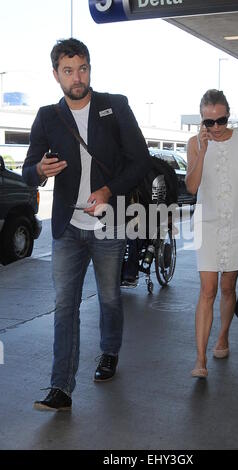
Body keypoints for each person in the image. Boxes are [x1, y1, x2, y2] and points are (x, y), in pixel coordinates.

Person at [22, 38, 151, 410]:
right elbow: (29, 170)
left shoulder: (114, 106)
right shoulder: (48, 116)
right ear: (56, 74)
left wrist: (110, 190)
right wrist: (40, 172)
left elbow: (140, 160)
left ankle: (109, 351)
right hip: (67, 227)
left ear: (90, 68)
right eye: (68, 70)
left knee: (110, 297)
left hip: (108, 223)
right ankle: (61, 387)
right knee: (66, 306)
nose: (77, 77)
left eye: (82, 68)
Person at [186, 89, 238, 378]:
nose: (216, 128)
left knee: (227, 287)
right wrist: (202, 149)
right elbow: (192, 187)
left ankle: (223, 335)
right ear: (202, 121)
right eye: (209, 123)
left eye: (221, 120)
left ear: (228, 115)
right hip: (207, 223)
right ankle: (200, 359)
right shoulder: (195, 144)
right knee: (208, 289)